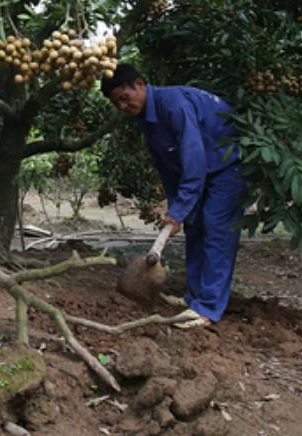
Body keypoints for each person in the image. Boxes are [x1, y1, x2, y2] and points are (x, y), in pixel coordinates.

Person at [100, 63, 247, 330]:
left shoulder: (173, 105)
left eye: (124, 98)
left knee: (216, 227)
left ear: (141, 84)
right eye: (116, 103)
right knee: (195, 225)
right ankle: (195, 298)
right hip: (203, 169)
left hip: (228, 166)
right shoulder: (147, 118)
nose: (122, 106)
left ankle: (207, 309)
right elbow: (169, 167)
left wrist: (178, 210)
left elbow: (194, 161)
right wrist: (176, 210)